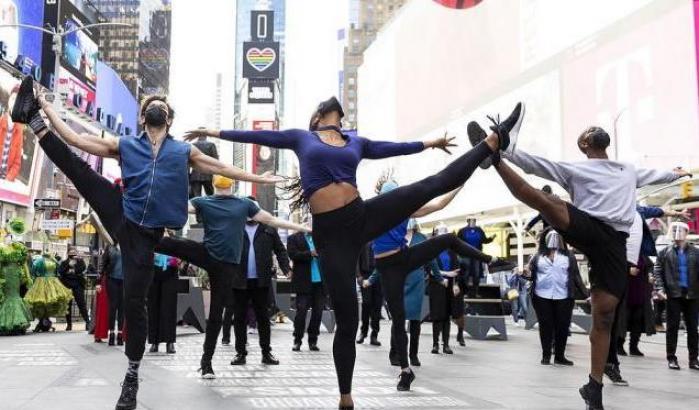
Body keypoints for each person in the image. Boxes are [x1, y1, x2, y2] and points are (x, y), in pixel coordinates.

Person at [185, 96, 522, 409]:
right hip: (331, 236)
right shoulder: (303, 138)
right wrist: (210, 131)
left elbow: (394, 148)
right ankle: (346, 397)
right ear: (319, 117)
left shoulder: (355, 142)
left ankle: (492, 142)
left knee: (428, 186)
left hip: (360, 215)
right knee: (349, 319)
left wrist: (429, 143)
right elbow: (254, 137)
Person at [13, 75, 281, 410]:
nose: (155, 108)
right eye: (149, 106)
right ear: (143, 117)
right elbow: (77, 142)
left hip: (148, 236)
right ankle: (30, 118)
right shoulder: (125, 145)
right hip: (121, 215)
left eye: (161, 107)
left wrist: (259, 178)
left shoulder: (185, 151)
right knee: (79, 171)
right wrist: (48, 110)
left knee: (136, 301)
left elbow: (222, 166)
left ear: (168, 119)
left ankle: (132, 374)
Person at [467, 114, 687, 410]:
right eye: (589, 131)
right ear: (584, 144)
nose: (595, 130)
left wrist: (676, 174)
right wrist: (501, 149)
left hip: (613, 245)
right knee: (548, 201)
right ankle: (492, 158)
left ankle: (593, 387)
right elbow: (534, 164)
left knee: (605, 317)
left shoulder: (628, 170)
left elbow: (657, 175)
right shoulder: (575, 169)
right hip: (587, 226)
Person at [155, 175, 309, 378]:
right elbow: (271, 219)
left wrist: (302, 228)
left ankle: (207, 363)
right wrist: (302, 228)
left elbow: (178, 208)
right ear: (232, 185)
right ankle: (207, 363)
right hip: (217, 260)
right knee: (175, 246)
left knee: (217, 314)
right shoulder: (231, 203)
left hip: (219, 263)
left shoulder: (233, 204)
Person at [368, 177, 507, 390]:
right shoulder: (374, 211)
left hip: (402, 258)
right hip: (387, 268)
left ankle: (491, 261)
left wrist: (460, 183)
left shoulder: (404, 209)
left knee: (448, 239)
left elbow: (439, 204)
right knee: (398, 319)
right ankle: (405, 371)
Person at [225, 206, 291, 366]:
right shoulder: (235, 228)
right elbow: (224, 250)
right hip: (239, 280)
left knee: (263, 318)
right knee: (239, 318)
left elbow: (280, 250)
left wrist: (286, 268)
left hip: (261, 281)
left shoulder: (268, 229)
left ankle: (266, 352)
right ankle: (240, 353)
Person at [522, 228, 587, 366]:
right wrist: (524, 273)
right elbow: (530, 275)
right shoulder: (537, 256)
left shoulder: (568, 256)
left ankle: (559, 356)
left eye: (557, 236)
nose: (554, 239)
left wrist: (586, 295)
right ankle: (546, 355)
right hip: (541, 296)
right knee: (545, 326)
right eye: (550, 236)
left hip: (563, 296)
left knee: (562, 327)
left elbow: (576, 277)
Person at [653, 222, 699, 371]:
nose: (677, 233)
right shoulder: (665, 252)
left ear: (686, 232)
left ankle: (694, 359)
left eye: (680, 230)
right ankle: (671, 358)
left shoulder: (695, 252)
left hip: (692, 294)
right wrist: (660, 288)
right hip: (673, 294)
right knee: (672, 328)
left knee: (692, 328)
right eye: (674, 230)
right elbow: (658, 271)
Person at [288, 217, 326, 352]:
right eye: (310, 224)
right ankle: (297, 340)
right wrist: (310, 253)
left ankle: (313, 340)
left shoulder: (321, 238)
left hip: (320, 282)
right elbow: (293, 254)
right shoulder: (294, 238)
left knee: (318, 312)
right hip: (303, 281)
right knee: (301, 311)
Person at [24, 252, 73, 333]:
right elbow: (34, 271)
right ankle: (43, 322)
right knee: (43, 302)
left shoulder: (52, 260)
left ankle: (44, 322)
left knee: (48, 302)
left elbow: (34, 271)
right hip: (43, 282)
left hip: (51, 282)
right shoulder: (42, 261)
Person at [147, 253, 180, 354]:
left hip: (170, 271)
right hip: (154, 270)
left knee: (169, 308)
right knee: (153, 307)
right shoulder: (153, 238)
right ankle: (154, 342)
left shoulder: (172, 239)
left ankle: (170, 342)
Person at [457, 218, 495, 297]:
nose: (473, 222)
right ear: (468, 221)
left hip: (477, 255)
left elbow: (484, 240)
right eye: (471, 220)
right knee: (465, 274)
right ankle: (465, 293)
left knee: (477, 274)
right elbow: (457, 243)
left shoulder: (479, 230)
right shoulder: (462, 231)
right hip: (465, 255)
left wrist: (491, 238)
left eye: (474, 220)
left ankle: (475, 293)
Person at [0, 241, 32, 335]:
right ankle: (9, 323)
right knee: (8, 296)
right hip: (6, 274)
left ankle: (16, 323)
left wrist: (28, 277)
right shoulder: (2, 249)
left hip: (16, 275)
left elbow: (24, 264)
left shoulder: (20, 248)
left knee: (15, 295)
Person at [58, 247, 90, 331]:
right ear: (68, 254)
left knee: (81, 304)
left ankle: (87, 322)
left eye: (74, 253)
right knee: (68, 306)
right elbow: (61, 271)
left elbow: (82, 269)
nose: (73, 255)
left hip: (78, 285)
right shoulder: (64, 262)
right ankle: (69, 324)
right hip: (67, 285)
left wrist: (75, 264)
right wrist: (68, 265)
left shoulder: (80, 262)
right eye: (71, 253)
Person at [356, 242, 382, 346]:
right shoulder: (364, 238)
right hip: (365, 274)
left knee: (377, 305)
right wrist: (358, 275)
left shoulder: (381, 239)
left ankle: (374, 334)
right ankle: (363, 331)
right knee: (366, 304)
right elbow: (356, 258)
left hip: (379, 276)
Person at [100, 243, 124, 346]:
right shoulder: (110, 247)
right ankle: (112, 334)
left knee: (122, 307)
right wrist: (98, 280)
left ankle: (120, 334)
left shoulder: (128, 244)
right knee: (113, 306)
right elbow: (103, 264)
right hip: (112, 279)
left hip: (125, 281)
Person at [189, 133, 218, 198]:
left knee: (196, 197)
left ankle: (197, 208)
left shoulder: (192, 145)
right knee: (211, 196)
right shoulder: (211, 145)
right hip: (208, 173)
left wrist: (188, 175)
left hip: (195, 175)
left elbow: (188, 161)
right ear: (206, 135)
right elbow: (216, 160)